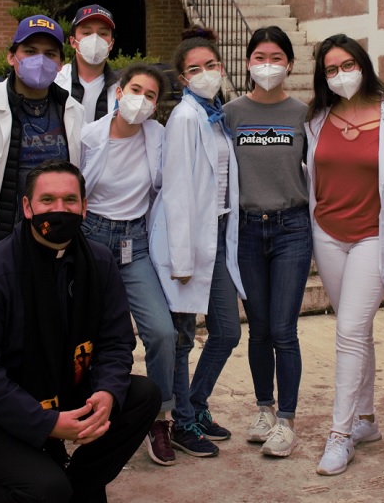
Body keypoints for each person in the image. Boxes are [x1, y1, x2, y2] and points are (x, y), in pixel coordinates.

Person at [0, 160, 161, 502]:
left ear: (85, 208)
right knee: (46, 489)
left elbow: (116, 341)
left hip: (61, 390)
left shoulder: (99, 263)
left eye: (70, 201)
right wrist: (46, 423)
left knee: (143, 396)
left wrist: (107, 392)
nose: (59, 209)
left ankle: (76, 487)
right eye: (47, 200)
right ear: (27, 207)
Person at [306, 34, 384, 476]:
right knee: (358, 329)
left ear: (363, 64)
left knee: (347, 329)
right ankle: (365, 420)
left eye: (347, 64)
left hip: (373, 236)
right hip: (327, 234)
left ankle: (340, 434)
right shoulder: (318, 118)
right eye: (331, 69)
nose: (340, 75)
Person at [149, 27, 245, 457]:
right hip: (187, 241)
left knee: (225, 332)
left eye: (211, 65)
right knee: (184, 337)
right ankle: (183, 423)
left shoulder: (215, 111)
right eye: (195, 69)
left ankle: (196, 405)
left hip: (220, 235)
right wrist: (181, 259)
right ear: (183, 79)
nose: (205, 73)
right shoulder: (186, 117)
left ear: (221, 69)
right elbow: (177, 193)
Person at [79, 64, 180, 466]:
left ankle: (158, 417)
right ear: (119, 92)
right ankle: (82, 410)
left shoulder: (158, 138)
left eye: (151, 95)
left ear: (156, 106)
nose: (141, 100)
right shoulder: (89, 135)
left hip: (134, 243)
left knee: (162, 332)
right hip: (89, 240)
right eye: (135, 89)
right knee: (81, 332)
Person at [222, 26, 312, 458]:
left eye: (277, 57)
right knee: (257, 328)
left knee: (283, 329)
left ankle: (288, 420)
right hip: (246, 228)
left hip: (292, 226)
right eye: (260, 57)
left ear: (290, 64)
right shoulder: (231, 113)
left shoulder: (303, 114)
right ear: (247, 63)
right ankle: (263, 409)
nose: (268, 65)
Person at [0, 14, 84, 258]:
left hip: (51, 236)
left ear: (60, 64)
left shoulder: (73, 111)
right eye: (30, 51)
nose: (40, 60)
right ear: (12, 56)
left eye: (50, 54)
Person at [55, 4, 119, 123]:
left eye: (103, 34)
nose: (95, 39)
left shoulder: (122, 88)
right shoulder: (55, 82)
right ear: (73, 41)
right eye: (86, 33)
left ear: (111, 44)